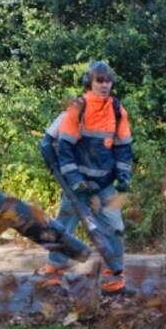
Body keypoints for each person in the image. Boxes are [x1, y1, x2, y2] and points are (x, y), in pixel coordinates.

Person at [39, 61, 134, 296]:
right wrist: (74, 180)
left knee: (115, 228)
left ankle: (113, 284)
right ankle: (52, 280)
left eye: (108, 80)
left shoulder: (117, 110)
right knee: (64, 228)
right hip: (77, 184)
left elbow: (123, 147)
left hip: (103, 185)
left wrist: (123, 175)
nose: (104, 85)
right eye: (99, 80)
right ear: (89, 82)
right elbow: (65, 148)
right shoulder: (77, 109)